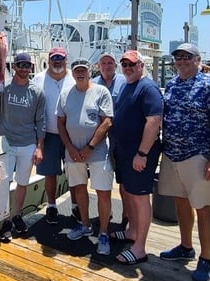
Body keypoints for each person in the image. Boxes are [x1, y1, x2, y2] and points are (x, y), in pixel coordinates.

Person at [159, 43, 210, 281]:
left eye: (186, 57)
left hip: (199, 156)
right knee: (180, 202)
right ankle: (185, 247)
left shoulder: (209, 86)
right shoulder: (171, 84)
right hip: (172, 155)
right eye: (178, 57)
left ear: (198, 60)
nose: (181, 61)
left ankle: (206, 258)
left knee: (202, 206)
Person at [109, 50, 163, 265]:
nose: (128, 68)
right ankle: (132, 231)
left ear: (141, 65)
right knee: (128, 192)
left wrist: (142, 153)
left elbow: (153, 121)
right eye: (124, 64)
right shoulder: (127, 85)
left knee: (140, 198)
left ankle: (139, 247)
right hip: (124, 152)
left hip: (139, 154)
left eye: (132, 64)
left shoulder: (148, 88)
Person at [57, 58, 114, 256]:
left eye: (83, 70)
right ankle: (85, 224)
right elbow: (60, 124)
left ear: (89, 72)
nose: (80, 73)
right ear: (72, 73)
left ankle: (104, 232)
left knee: (103, 192)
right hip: (73, 152)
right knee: (79, 188)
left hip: (96, 151)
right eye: (77, 70)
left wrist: (90, 147)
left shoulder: (101, 91)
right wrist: (70, 147)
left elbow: (106, 122)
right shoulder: (65, 94)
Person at [0, 52, 46, 241]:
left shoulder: (37, 92)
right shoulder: (4, 88)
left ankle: (16, 215)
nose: (24, 69)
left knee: (23, 183)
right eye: (21, 65)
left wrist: (39, 147)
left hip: (28, 143)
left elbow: (41, 121)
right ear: (14, 67)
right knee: (4, 183)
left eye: (27, 66)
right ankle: (3, 220)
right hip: (7, 143)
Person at [32, 47, 77, 225]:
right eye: (54, 58)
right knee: (50, 173)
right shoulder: (38, 79)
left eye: (61, 58)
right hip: (47, 134)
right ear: (49, 60)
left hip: (71, 134)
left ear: (66, 60)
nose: (57, 61)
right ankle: (51, 205)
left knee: (74, 172)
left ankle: (75, 206)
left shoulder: (75, 77)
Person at [92, 52, 128, 230]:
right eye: (103, 63)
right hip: (99, 137)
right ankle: (106, 213)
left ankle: (126, 216)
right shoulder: (93, 83)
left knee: (122, 180)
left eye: (110, 63)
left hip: (120, 136)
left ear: (115, 65)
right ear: (99, 66)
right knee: (102, 180)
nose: (107, 66)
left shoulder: (124, 81)